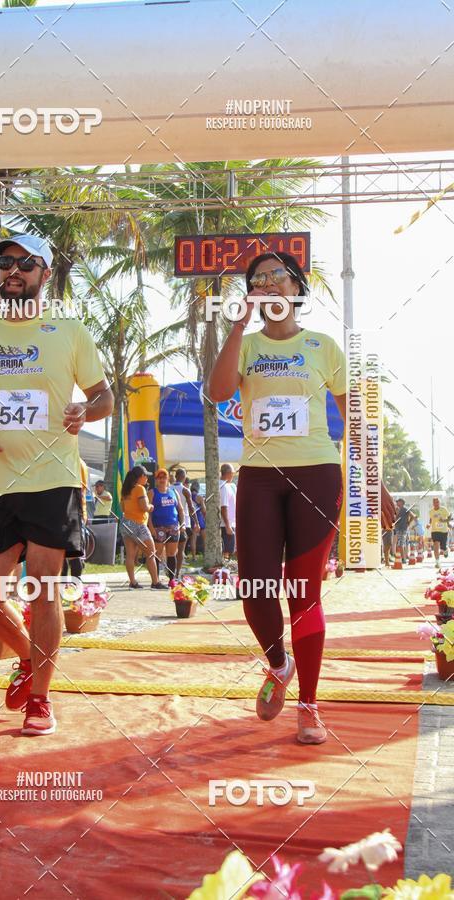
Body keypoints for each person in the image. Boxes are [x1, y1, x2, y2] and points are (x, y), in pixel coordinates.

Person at [209, 250, 396, 744]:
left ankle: (309, 706)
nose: (269, 283)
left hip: (316, 475)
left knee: (303, 592)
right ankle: (277, 663)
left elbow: (352, 417)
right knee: (255, 590)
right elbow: (218, 390)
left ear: (297, 288)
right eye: (258, 278)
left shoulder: (323, 346)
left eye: (278, 276)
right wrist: (237, 326)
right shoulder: (245, 345)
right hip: (259, 477)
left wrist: (371, 479)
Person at [0, 232, 113, 736]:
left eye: (26, 263)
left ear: (45, 273)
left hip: (54, 477)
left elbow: (104, 398)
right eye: (5, 262)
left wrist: (84, 410)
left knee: (43, 590)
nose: (13, 270)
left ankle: (40, 700)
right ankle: (30, 658)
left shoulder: (70, 331)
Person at [120, 465, 166, 590]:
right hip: (138, 524)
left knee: (130, 555)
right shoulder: (140, 489)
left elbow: (122, 508)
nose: (147, 478)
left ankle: (133, 582)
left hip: (125, 523)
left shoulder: (125, 489)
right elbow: (144, 507)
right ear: (140, 477)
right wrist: (151, 506)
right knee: (151, 553)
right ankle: (155, 582)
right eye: (145, 476)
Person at [148, 468, 184, 583]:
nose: (162, 480)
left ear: (168, 479)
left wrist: (182, 524)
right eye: (160, 478)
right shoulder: (152, 492)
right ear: (156, 479)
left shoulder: (173, 492)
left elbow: (180, 509)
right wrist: (151, 527)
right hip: (158, 527)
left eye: (164, 477)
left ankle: (172, 579)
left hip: (173, 526)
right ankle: (156, 579)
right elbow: (147, 512)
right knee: (157, 554)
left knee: (172, 554)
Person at [172, 467, 199, 579]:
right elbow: (191, 507)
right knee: (180, 550)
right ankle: (177, 573)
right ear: (183, 477)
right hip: (185, 522)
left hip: (172, 521)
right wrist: (196, 522)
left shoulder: (169, 488)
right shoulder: (185, 490)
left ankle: (171, 572)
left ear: (175, 476)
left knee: (171, 550)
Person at [219, 463, 237, 563]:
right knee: (227, 549)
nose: (233, 475)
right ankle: (224, 568)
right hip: (226, 523)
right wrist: (227, 525)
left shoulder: (227, 485)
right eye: (233, 473)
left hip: (230, 522)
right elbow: (223, 507)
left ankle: (225, 566)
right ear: (229, 473)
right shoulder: (223, 486)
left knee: (229, 548)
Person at [427, 497, 451, 569]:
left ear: (439, 502)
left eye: (437, 502)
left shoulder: (443, 509)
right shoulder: (431, 511)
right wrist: (429, 524)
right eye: (434, 502)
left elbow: (450, 517)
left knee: (442, 547)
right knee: (436, 545)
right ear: (433, 503)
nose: (436, 503)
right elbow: (431, 519)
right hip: (435, 531)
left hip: (443, 531)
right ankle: (437, 562)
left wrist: (445, 521)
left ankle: (445, 550)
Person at [392, 498, 412, 563]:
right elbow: (395, 518)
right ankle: (403, 558)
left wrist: (409, 522)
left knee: (400, 544)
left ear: (402, 503)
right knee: (400, 544)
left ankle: (403, 559)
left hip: (403, 529)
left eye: (398, 502)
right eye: (397, 502)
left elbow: (413, 516)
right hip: (398, 528)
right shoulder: (397, 510)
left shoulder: (406, 509)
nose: (397, 503)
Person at [190, 479, 206, 557]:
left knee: (193, 538)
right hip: (199, 518)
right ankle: (206, 555)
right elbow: (204, 510)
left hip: (192, 518)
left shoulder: (188, 495)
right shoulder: (199, 497)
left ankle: (194, 557)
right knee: (204, 538)